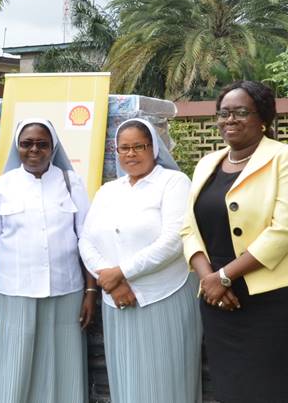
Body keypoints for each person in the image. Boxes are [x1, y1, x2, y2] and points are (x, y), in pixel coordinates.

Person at [181, 80, 288, 403]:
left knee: (285, 392)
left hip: (285, 298)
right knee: (236, 390)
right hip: (223, 300)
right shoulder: (206, 164)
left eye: (240, 112)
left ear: (262, 117)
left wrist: (224, 276)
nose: (230, 120)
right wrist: (209, 280)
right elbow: (188, 230)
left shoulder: (287, 157)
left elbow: (285, 230)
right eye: (224, 113)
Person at [78, 118, 202, 403]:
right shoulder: (109, 190)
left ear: (154, 148)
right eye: (124, 148)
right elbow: (86, 239)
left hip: (164, 295)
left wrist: (120, 272)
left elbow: (174, 240)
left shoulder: (174, 182)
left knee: (168, 379)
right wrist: (109, 281)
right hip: (116, 300)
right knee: (128, 380)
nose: (131, 154)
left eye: (138, 146)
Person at [0, 118, 96, 403]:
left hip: (65, 292)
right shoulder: (2, 187)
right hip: (12, 292)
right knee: (11, 369)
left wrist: (91, 291)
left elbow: (87, 241)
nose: (34, 150)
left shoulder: (71, 183)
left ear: (52, 148)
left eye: (42, 144)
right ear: (17, 147)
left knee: (62, 367)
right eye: (27, 143)